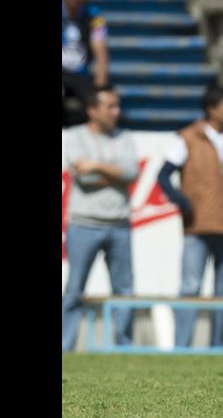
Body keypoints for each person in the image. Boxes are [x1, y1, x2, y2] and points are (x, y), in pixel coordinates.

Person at [157, 86, 223, 348]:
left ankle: (220, 345)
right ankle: (183, 345)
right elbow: (163, 175)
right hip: (198, 225)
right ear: (211, 110)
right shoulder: (188, 137)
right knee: (190, 288)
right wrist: (181, 200)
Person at [62, 87, 138, 351]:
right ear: (92, 110)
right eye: (110, 107)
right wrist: (115, 175)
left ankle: (123, 346)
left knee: (124, 290)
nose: (116, 112)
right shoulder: (75, 136)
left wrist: (96, 166)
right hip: (84, 222)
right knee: (74, 290)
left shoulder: (124, 136)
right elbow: (82, 176)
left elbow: (131, 172)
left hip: (119, 224)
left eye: (118, 106)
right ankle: (66, 347)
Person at [62, 0, 109, 127]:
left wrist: (100, 87)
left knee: (100, 103)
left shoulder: (94, 16)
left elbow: (100, 50)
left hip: (81, 75)